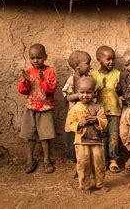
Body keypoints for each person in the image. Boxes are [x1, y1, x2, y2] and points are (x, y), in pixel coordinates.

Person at [18, 43, 57, 174]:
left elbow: (51, 89)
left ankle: (47, 160)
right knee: (30, 136)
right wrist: (26, 81)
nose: (36, 61)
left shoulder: (49, 71)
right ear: (29, 58)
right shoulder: (28, 72)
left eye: (39, 57)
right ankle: (30, 160)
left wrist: (42, 80)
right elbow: (23, 90)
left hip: (45, 109)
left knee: (45, 137)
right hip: (30, 108)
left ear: (45, 57)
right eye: (32, 58)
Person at [68, 76, 109, 192]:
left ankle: (100, 184)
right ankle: (85, 185)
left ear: (95, 93)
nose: (85, 95)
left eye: (88, 92)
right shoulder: (75, 109)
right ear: (77, 92)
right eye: (82, 92)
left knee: (99, 162)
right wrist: (80, 123)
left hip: (97, 141)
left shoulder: (98, 107)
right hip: (81, 142)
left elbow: (104, 122)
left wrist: (96, 120)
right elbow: (70, 122)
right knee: (83, 163)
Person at [90, 46, 121, 173]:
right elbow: (90, 95)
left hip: (114, 111)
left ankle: (113, 160)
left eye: (113, 59)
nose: (111, 62)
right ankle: (103, 159)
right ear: (99, 59)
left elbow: (122, 92)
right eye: (108, 59)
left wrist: (119, 90)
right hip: (99, 112)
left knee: (114, 136)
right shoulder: (93, 76)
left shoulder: (117, 74)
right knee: (101, 136)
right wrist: (99, 89)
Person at [62, 51, 92, 165]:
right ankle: (75, 161)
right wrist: (80, 95)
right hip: (74, 115)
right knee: (73, 136)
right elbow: (68, 96)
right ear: (77, 65)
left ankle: (86, 159)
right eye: (87, 63)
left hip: (85, 113)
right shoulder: (71, 80)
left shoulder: (88, 78)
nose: (90, 66)